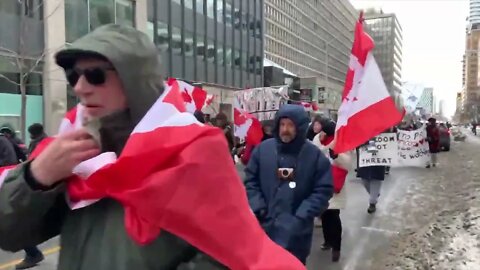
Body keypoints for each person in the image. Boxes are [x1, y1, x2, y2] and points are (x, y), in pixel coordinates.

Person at [0, 24, 229, 270]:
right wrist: (35, 178)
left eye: (96, 75)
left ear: (135, 81)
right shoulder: (78, 156)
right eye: (73, 76)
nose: (79, 87)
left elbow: (231, 259)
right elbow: (10, 235)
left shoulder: (196, 157)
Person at [244, 104, 334, 264]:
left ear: (299, 127)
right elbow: (251, 181)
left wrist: (301, 216)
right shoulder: (263, 151)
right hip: (265, 230)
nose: (285, 129)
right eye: (283, 124)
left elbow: (323, 190)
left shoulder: (314, 156)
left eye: (291, 125)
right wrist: (259, 207)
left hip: (297, 235)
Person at [312, 120, 351, 262]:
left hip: (334, 184)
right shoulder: (317, 140)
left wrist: (337, 156)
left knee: (333, 215)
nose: (320, 132)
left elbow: (347, 164)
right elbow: (313, 154)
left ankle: (337, 247)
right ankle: (328, 240)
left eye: (323, 130)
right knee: (324, 215)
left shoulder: (341, 142)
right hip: (320, 182)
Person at [357, 138, 386, 214]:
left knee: (375, 180)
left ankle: (372, 203)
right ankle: (375, 194)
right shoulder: (361, 133)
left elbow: (388, 142)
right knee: (365, 181)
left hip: (378, 162)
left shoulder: (382, 131)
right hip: (364, 162)